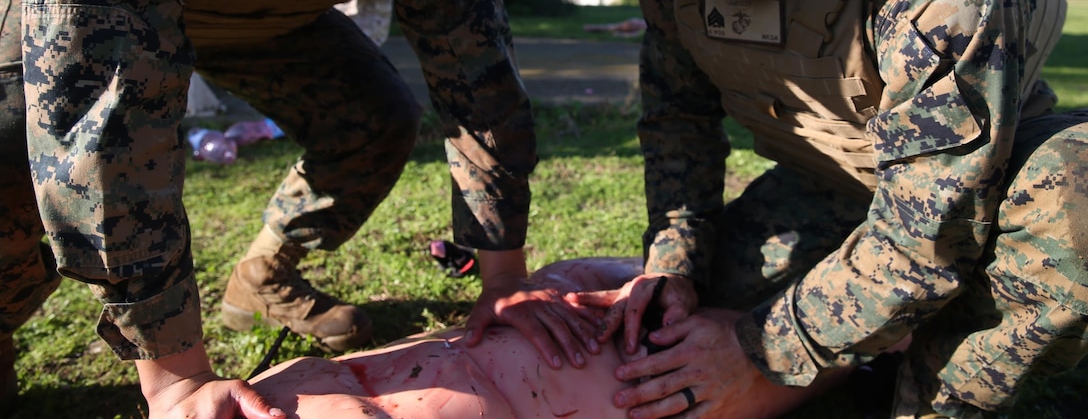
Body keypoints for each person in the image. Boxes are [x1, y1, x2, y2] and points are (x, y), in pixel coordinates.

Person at [0, 0, 600, 415]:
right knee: (22, 162)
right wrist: (176, 380)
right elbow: (105, 123)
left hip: (261, 17)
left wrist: (502, 280)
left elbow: (475, 73)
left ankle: (264, 274)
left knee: (375, 117)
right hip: (75, 8)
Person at [571, 0, 1088, 418]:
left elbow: (931, 234)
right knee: (697, 308)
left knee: (1072, 199)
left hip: (984, 193)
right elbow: (678, 128)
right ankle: (879, 338)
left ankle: (934, 396)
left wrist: (758, 348)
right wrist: (675, 266)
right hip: (833, 182)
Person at [247, 257, 842, 419]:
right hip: (642, 385)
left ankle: (868, 333)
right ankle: (878, 341)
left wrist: (665, 273)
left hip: (570, 312)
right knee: (701, 375)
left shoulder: (241, 400)